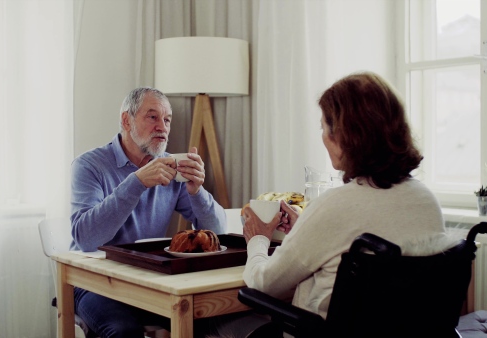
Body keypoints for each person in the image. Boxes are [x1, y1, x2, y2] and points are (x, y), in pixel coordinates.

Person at [239, 71, 447, 336]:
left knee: (216, 327)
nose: (323, 137)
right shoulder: (427, 201)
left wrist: (257, 239)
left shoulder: (334, 205)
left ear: (346, 136)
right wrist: (307, 227)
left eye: (324, 128)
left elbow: (264, 284)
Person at [70, 87, 226, 337]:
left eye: (167, 120)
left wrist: (198, 192)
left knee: (212, 317)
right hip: (93, 282)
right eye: (152, 117)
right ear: (126, 120)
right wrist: (137, 182)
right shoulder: (89, 165)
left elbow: (219, 232)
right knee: (124, 331)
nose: (162, 127)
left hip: (149, 281)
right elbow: (86, 239)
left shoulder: (171, 166)